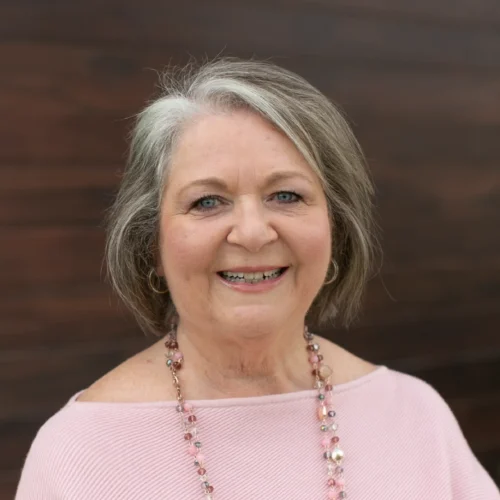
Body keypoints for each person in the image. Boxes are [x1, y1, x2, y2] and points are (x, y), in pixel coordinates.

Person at [16, 58, 498, 500]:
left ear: (335, 229)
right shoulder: (79, 453)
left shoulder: (415, 416)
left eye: (286, 195)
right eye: (207, 201)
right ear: (151, 245)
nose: (251, 233)